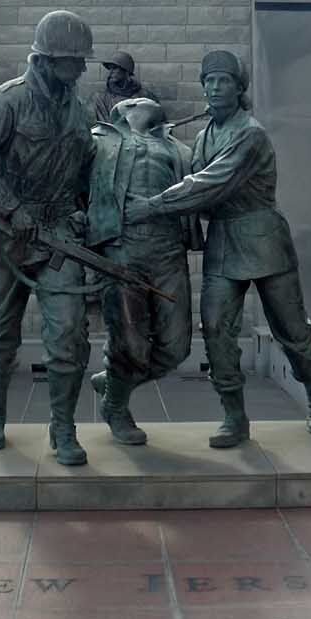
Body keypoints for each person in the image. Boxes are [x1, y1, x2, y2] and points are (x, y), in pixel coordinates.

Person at [125, 49, 311, 449]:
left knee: (290, 329)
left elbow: (208, 184)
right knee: (217, 329)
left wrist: (150, 207)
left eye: (224, 81)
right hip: (223, 242)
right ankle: (234, 417)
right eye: (209, 81)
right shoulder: (204, 136)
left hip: (262, 238)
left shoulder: (250, 133)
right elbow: (188, 178)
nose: (215, 88)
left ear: (239, 89)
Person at [0, 10, 96, 466]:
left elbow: (85, 171)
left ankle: (63, 428)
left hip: (56, 240)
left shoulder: (79, 108)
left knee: (69, 333)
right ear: (48, 61)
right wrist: (10, 208)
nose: (82, 69)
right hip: (4, 236)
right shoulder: (5, 102)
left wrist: (82, 213)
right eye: (74, 62)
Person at [83, 96, 198, 445]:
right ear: (118, 115)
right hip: (122, 249)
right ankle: (117, 406)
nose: (135, 101)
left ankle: (115, 381)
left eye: (142, 99)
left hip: (168, 251)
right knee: (129, 343)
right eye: (129, 102)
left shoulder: (182, 151)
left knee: (177, 347)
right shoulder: (96, 142)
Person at [91, 51, 157, 124]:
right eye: (110, 68)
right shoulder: (101, 99)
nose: (111, 72)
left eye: (115, 68)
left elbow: (158, 124)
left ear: (126, 71)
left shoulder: (145, 96)